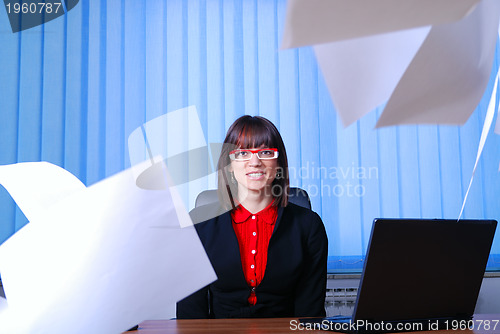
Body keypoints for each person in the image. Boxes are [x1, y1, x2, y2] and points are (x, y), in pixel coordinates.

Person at [177, 115, 328, 318]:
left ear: (279, 163)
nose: (255, 162)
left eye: (265, 152)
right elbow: (190, 315)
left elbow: (310, 313)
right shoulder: (198, 224)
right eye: (242, 153)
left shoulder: (308, 226)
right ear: (229, 165)